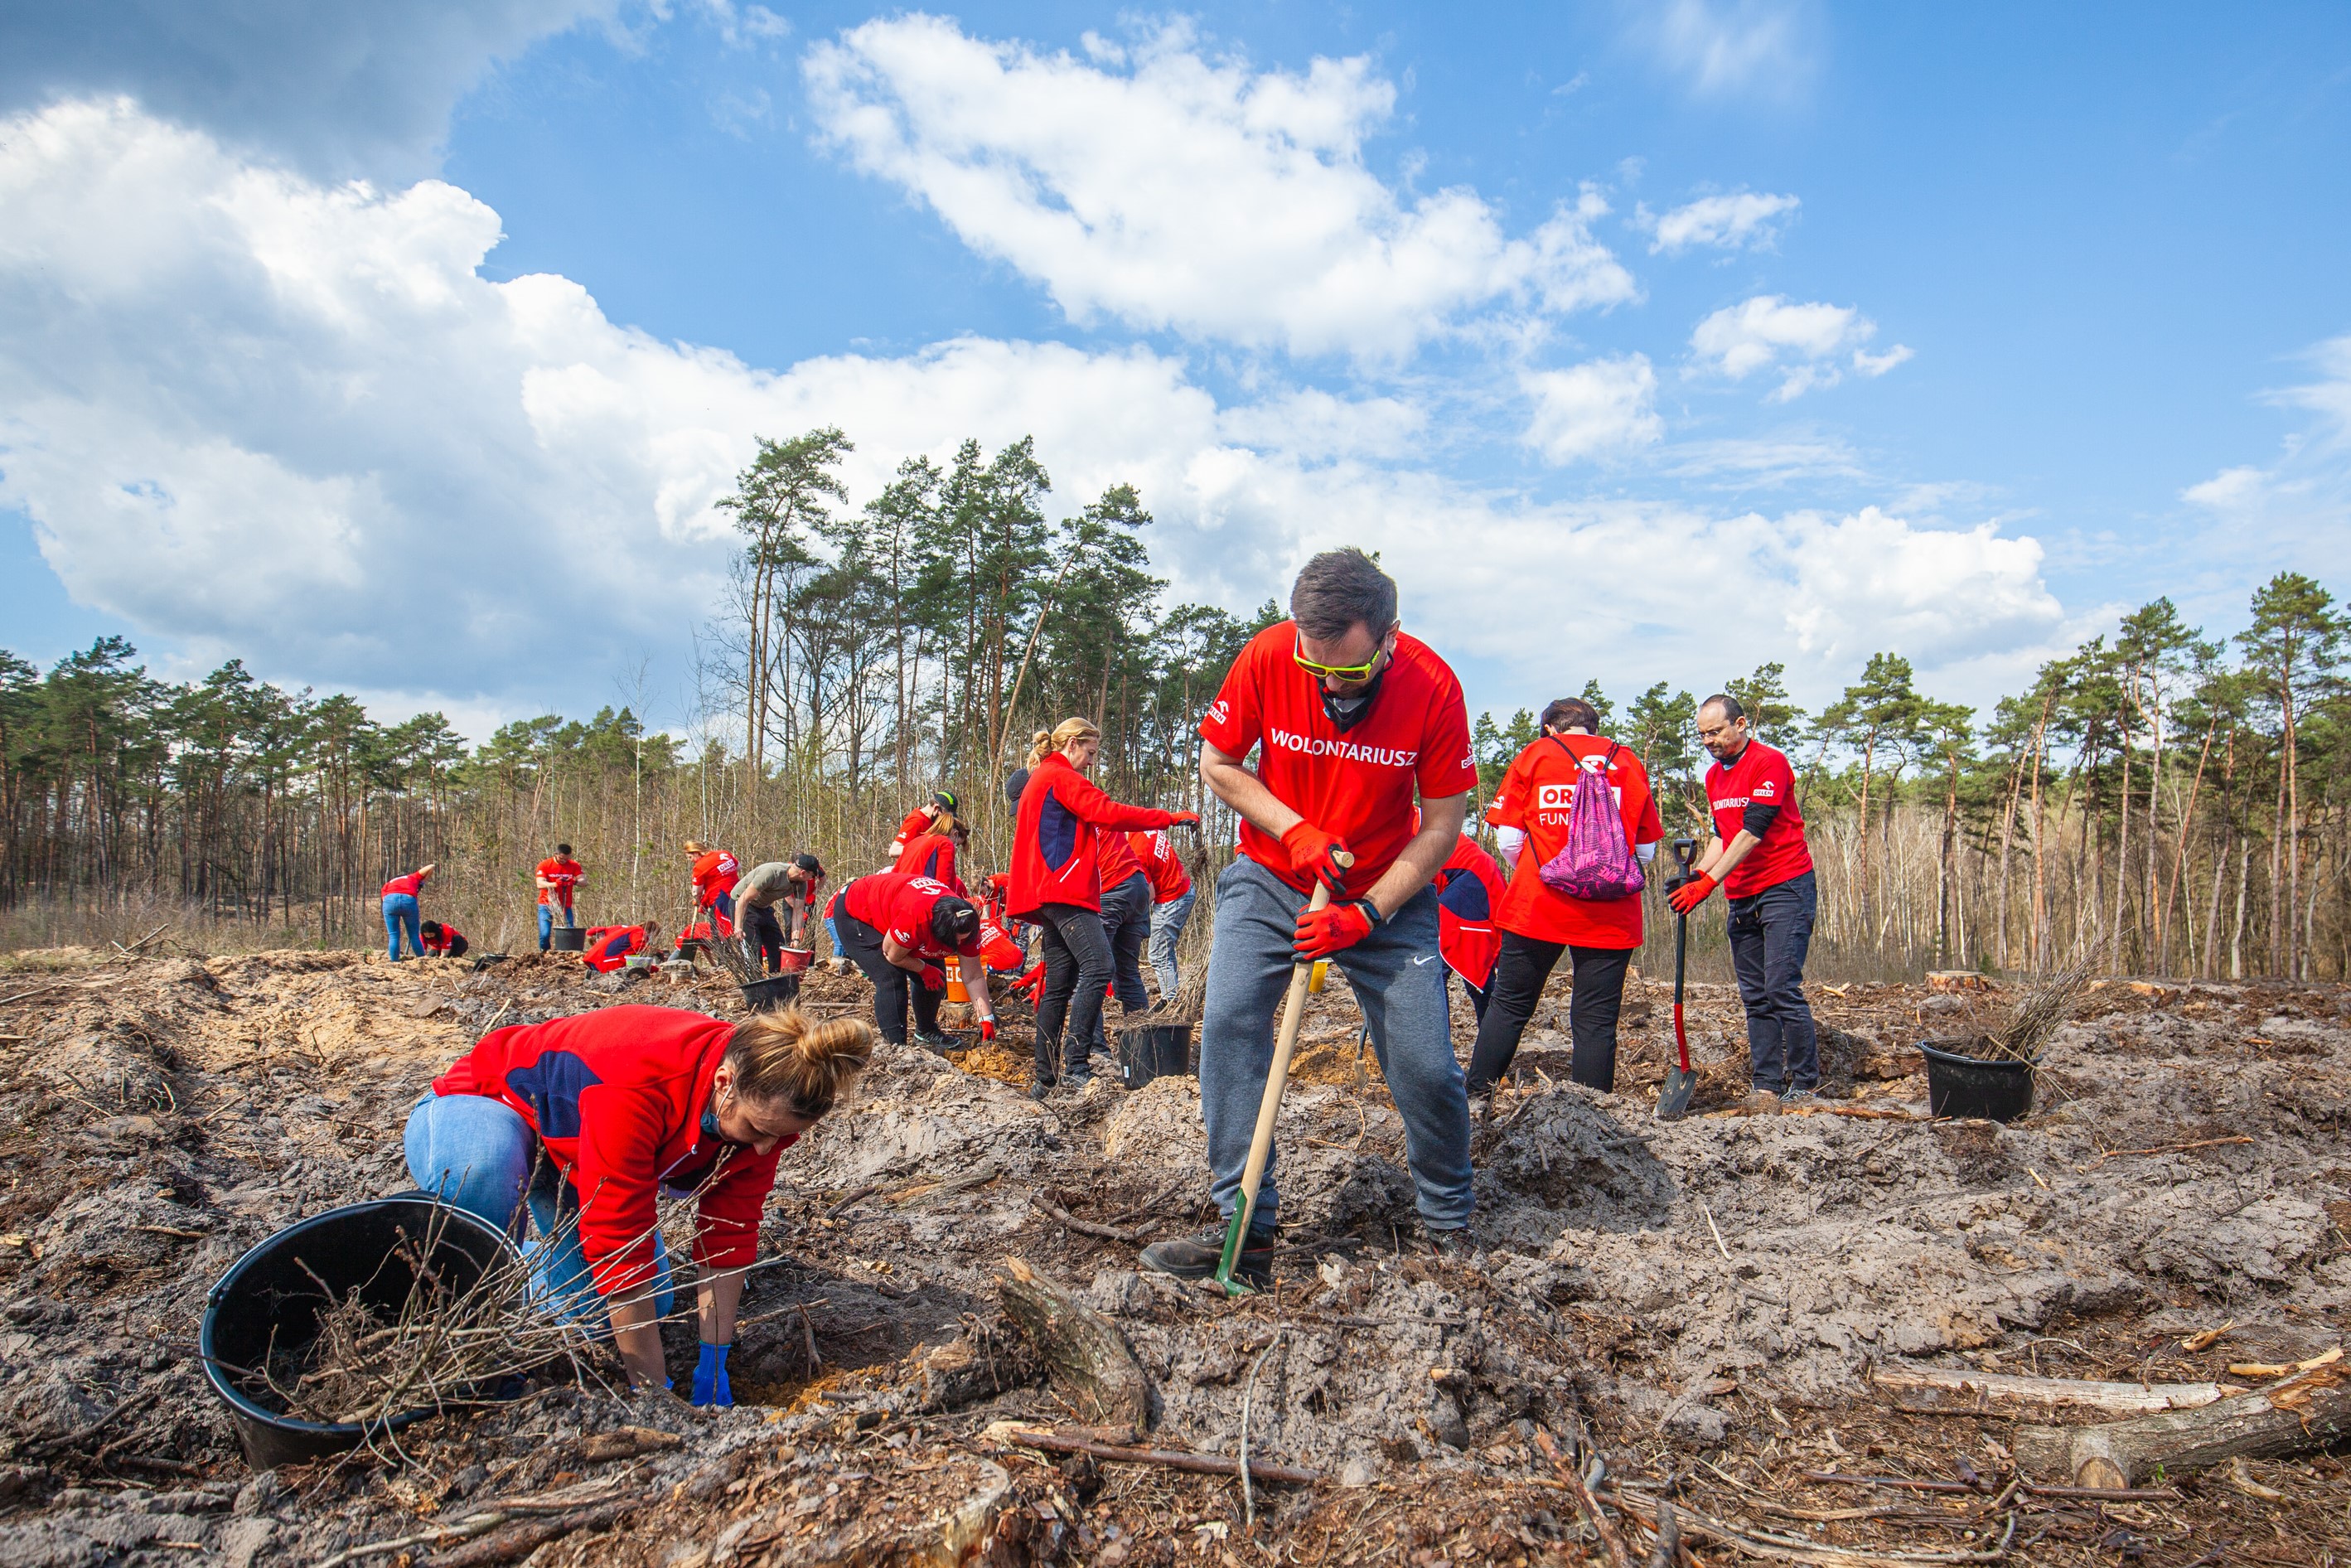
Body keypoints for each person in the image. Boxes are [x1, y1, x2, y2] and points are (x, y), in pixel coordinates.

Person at [1139, 549, 1479, 1288]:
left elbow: (1443, 823)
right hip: (1271, 876)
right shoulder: (1266, 655)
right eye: (1315, 666)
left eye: (1350, 671)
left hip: (1386, 886)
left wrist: (1367, 913)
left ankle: (1449, 1224)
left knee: (1423, 1060)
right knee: (1229, 1021)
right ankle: (1244, 1227)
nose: (1329, 684)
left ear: (1389, 637)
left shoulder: (1433, 687)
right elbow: (1218, 763)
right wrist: (1293, 827)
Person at [406, 1004, 871, 1404]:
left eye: (783, 1136)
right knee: (485, 1176)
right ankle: (454, 1304)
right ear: (724, 1082)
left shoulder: (763, 1112)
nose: (768, 1149)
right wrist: (653, 1394)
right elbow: (619, 1244)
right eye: (758, 1130)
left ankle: (521, 1267)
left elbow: (728, 1235)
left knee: (631, 1306)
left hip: (573, 1147)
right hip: (490, 1100)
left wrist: (714, 1363)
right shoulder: (637, 1086)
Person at [1464, 698, 1664, 1099]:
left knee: (1511, 1005)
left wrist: (1550, 871)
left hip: (1540, 904)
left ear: (1551, 729)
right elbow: (1644, 852)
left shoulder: (1537, 755)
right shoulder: (1626, 761)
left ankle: (1474, 1097)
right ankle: (1592, 1117)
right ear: (1593, 727)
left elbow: (1509, 839)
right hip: (1611, 910)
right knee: (1596, 1019)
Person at [1010, 718, 1197, 1099]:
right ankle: (1077, 1064)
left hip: (1045, 894)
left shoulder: (1042, 778)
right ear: (1073, 743)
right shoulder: (1061, 776)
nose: (1092, 762)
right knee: (1100, 966)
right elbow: (1108, 813)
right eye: (1091, 752)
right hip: (1063, 891)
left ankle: (1044, 1079)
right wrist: (1167, 818)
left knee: (1059, 985)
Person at [1672, 693, 1820, 1107]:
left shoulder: (1768, 762)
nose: (1709, 741)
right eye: (1702, 734)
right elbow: (1723, 835)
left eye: (1716, 731)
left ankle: (1806, 1083)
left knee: (1781, 986)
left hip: (1785, 885)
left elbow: (1752, 831)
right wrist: (1699, 874)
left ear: (1740, 725)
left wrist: (1708, 885)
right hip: (1743, 894)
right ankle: (1767, 1084)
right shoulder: (1714, 777)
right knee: (1754, 994)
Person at [826, 870, 999, 1053]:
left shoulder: (968, 924)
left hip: (898, 910)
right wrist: (923, 969)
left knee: (936, 974)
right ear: (940, 932)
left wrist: (986, 1019)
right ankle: (896, 1049)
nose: (961, 945)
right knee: (891, 977)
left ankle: (925, 1032)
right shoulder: (917, 918)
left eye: (965, 940)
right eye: (957, 941)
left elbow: (973, 976)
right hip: (857, 912)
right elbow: (892, 954)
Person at [1086, 823, 1154, 1061]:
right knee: (1128, 974)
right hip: (1138, 887)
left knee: (1091, 971)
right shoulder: (1100, 815)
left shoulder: (1069, 820)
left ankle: (1096, 1049)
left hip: (1112, 889)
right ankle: (1142, 1049)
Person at [1433, 828, 1506, 1024]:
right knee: (1437, 973)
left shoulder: (1403, 822)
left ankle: (1440, 1050)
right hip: (1462, 880)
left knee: (1436, 973)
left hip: (1472, 882)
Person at [1130, 826, 1196, 1003]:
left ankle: (1170, 1002)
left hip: (1172, 898)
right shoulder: (1143, 829)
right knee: (1165, 951)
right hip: (1184, 887)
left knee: (1158, 954)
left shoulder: (1136, 853)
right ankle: (1172, 993)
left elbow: (1149, 894)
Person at [736, 854, 825, 974]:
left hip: (764, 908)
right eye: (812, 876)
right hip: (743, 904)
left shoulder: (801, 884)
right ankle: (755, 983)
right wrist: (738, 927)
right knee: (753, 947)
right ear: (803, 873)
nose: (812, 879)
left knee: (778, 947)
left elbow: (798, 911)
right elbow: (743, 898)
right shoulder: (771, 873)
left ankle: (776, 980)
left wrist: (796, 938)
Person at [893, 814, 970, 895]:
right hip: (922, 895)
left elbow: (894, 874)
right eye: (957, 844)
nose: (955, 847)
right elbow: (943, 883)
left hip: (901, 895)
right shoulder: (945, 843)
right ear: (955, 834)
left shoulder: (912, 843)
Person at [535, 844, 585, 951]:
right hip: (546, 904)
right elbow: (540, 884)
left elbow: (584, 881)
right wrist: (555, 884)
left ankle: (567, 953)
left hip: (565, 905)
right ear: (556, 854)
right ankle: (544, 953)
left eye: (567, 859)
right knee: (545, 933)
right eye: (561, 858)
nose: (564, 861)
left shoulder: (574, 865)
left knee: (569, 932)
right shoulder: (545, 865)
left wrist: (574, 881)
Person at [684, 840, 741, 936]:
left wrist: (697, 900)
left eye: (690, 857)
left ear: (696, 852)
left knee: (720, 934)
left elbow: (696, 892)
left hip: (720, 899)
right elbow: (738, 867)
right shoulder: (724, 854)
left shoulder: (700, 867)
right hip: (739, 894)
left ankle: (726, 951)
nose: (691, 860)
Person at [380, 864, 435, 961]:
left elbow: (384, 898)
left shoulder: (388, 884)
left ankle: (394, 961)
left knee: (393, 935)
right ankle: (422, 959)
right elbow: (432, 866)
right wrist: (423, 882)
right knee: (414, 935)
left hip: (390, 900)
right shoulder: (412, 877)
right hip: (408, 900)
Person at [888, 791, 960, 861]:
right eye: (944, 815)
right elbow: (894, 851)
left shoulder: (930, 820)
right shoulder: (917, 821)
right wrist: (927, 851)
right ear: (936, 808)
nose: (945, 819)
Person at [583, 919, 661, 973]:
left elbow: (633, 957)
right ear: (651, 931)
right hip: (604, 963)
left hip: (595, 961)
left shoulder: (631, 930)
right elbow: (638, 948)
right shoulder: (638, 931)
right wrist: (654, 953)